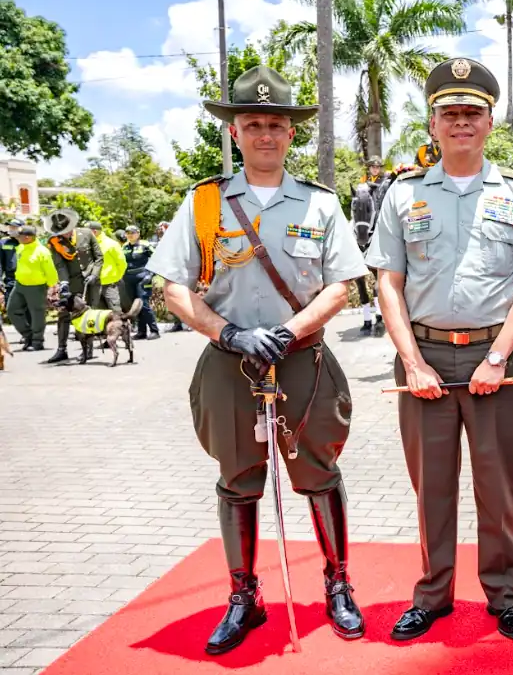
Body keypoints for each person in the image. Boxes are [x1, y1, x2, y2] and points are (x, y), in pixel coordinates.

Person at [146, 65, 368, 655]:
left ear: (291, 133)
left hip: (303, 360)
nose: (265, 134)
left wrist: (289, 331)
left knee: (319, 472)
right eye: (252, 124)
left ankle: (339, 584)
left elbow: (342, 285)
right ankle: (244, 596)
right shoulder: (204, 202)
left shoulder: (320, 203)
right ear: (235, 132)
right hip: (230, 363)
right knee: (238, 478)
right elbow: (173, 287)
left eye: (275, 124)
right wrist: (230, 334)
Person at [365, 57, 513, 642]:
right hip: (426, 359)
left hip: (498, 358)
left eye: (472, 112)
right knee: (432, 488)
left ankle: (505, 595)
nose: (461, 122)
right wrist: (412, 363)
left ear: (490, 122)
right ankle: (433, 595)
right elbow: (388, 282)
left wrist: (497, 357)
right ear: (433, 124)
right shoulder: (403, 194)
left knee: (500, 488)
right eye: (450, 113)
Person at [42, 209, 103, 364]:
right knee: (64, 314)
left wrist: (94, 274)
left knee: (87, 315)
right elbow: (60, 265)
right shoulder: (54, 242)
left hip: (91, 282)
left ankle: (88, 349)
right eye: (62, 232)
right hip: (71, 282)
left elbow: (99, 257)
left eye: (67, 230)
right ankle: (61, 350)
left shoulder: (87, 234)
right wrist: (64, 283)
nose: (65, 234)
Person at [7, 225, 57, 351]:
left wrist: (52, 287)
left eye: (20, 236)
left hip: (36, 287)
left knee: (37, 314)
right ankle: (28, 336)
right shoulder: (21, 247)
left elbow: (50, 271)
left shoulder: (42, 251)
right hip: (19, 285)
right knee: (12, 310)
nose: (18, 238)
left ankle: (37, 341)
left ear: (28, 237)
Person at [351, 162, 384, 336]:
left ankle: (379, 316)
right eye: (372, 167)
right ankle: (366, 318)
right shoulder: (363, 181)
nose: (375, 169)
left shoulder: (383, 181)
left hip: (376, 217)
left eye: (377, 167)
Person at [122, 225, 161, 339]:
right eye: (128, 233)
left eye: (133, 233)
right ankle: (141, 331)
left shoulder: (145, 245)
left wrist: (151, 274)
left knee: (144, 304)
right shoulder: (124, 246)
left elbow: (157, 259)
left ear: (138, 233)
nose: (130, 235)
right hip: (129, 278)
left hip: (143, 277)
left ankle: (154, 330)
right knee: (135, 305)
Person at [86, 221, 126, 313]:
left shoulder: (111, 244)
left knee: (115, 310)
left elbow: (121, 263)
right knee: (94, 311)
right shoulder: (87, 243)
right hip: (93, 283)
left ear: (94, 232)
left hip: (109, 284)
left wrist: (116, 277)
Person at [1, 218, 22, 309]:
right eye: (10, 227)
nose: (11, 229)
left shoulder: (27, 241)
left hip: (28, 281)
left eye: (14, 227)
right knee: (10, 308)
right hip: (11, 281)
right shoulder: (3, 242)